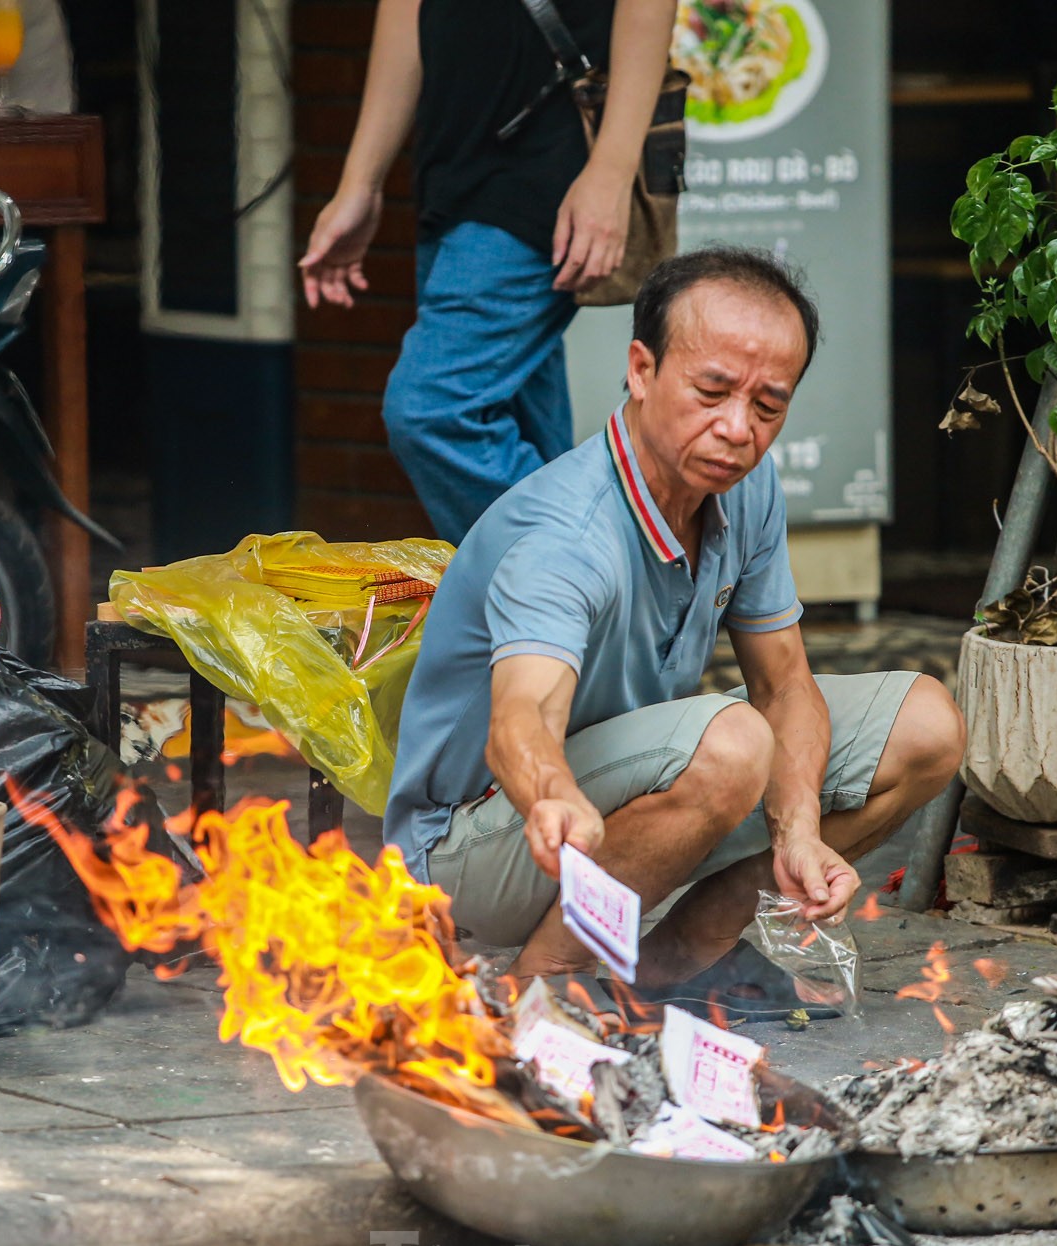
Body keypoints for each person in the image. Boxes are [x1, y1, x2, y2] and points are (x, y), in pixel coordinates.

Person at [383, 247, 966, 995]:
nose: (737, 429)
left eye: (768, 405)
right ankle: (548, 978)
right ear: (640, 369)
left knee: (928, 726)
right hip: (476, 846)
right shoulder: (567, 536)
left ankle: (678, 955)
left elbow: (785, 682)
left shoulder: (745, 491)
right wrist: (552, 793)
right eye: (713, 390)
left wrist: (799, 831)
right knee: (732, 745)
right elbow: (521, 715)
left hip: (632, 800)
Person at [299, 0, 678, 544]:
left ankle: (598, 564)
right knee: (525, 430)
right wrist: (361, 180)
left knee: (434, 410)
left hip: (550, 161)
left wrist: (612, 169)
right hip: (452, 163)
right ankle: (565, 620)